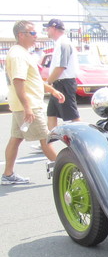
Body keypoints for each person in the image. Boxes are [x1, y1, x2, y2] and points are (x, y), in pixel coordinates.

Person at [2, 21, 63, 185]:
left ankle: (8, 174)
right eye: (33, 33)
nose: (36, 37)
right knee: (46, 139)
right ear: (21, 35)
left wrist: (52, 91)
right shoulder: (18, 55)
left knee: (15, 138)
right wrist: (27, 107)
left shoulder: (21, 53)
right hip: (28, 106)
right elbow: (18, 82)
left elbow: (32, 80)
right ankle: (66, 171)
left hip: (23, 105)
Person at [43, 18, 80, 130]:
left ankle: (83, 142)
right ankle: (48, 143)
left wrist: (48, 82)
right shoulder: (61, 43)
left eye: (48, 28)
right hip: (60, 83)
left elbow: (61, 67)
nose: (47, 31)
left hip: (64, 83)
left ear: (53, 28)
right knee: (51, 113)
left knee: (73, 117)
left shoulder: (63, 44)